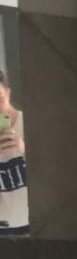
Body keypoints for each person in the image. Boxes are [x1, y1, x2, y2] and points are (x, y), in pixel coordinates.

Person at [0, 66, 28, 234]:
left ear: (8, 94)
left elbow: (58, 168)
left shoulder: (31, 124)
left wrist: (24, 148)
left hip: (36, 222)